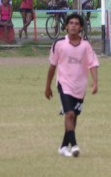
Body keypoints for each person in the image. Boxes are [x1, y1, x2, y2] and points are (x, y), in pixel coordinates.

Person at [45, 13, 100, 158]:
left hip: (80, 87)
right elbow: (52, 66)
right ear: (66, 26)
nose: (73, 26)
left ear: (81, 27)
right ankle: (74, 146)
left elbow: (92, 64)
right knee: (69, 114)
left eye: (76, 23)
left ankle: (63, 147)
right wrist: (48, 86)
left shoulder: (85, 46)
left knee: (74, 116)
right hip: (64, 84)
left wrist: (95, 82)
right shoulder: (59, 44)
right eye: (71, 23)